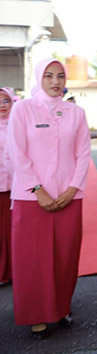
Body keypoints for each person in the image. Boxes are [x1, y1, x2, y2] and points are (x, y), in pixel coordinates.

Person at [8, 58, 91, 339]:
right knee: (32, 260)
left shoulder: (76, 113)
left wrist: (71, 189)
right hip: (31, 199)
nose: (55, 82)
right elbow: (17, 153)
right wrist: (38, 190)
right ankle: (37, 316)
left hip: (69, 197)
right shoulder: (23, 110)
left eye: (60, 76)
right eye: (48, 76)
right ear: (38, 78)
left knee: (64, 256)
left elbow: (83, 154)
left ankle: (61, 307)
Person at [0, 86, 16, 285]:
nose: (1, 106)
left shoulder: (18, 124)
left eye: (6, 101)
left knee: (12, 231)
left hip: (15, 188)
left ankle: (14, 270)